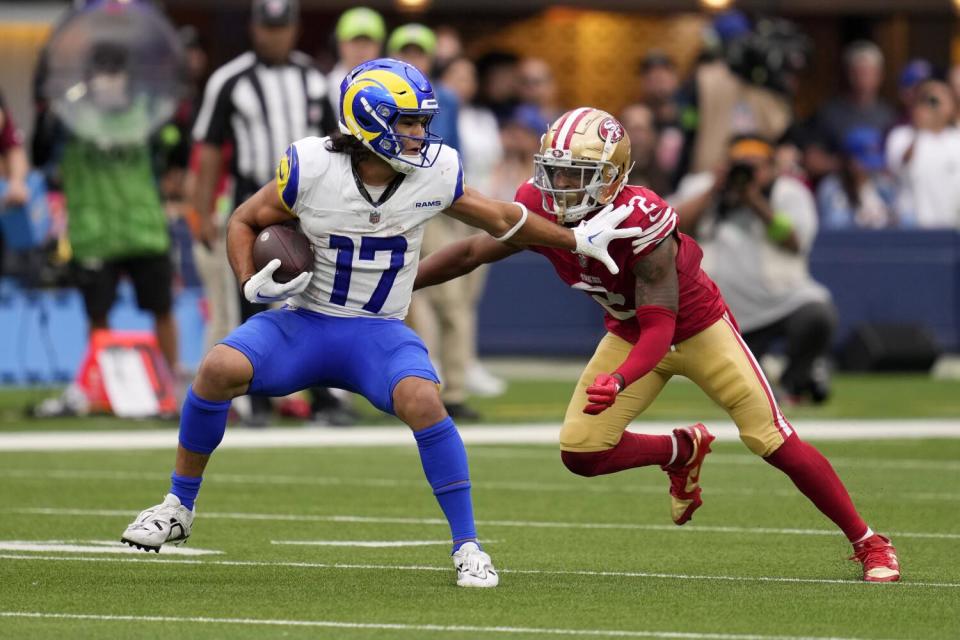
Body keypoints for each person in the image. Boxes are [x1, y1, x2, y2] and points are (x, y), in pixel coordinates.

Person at [119, 59, 642, 588]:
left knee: (424, 399)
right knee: (215, 368)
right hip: (306, 321)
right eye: (408, 122)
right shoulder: (310, 166)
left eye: (421, 121)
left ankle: (468, 545)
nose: (420, 134)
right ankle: (177, 507)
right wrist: (249, 280)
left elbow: (505, 219)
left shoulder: (436, 171)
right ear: (369, 121)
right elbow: (244, 220)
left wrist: (575, 240)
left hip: (379, 331)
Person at [413, 107, 900, 583]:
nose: (561, 187)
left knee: (770, 438)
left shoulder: (642, 217)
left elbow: (661, 327)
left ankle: (869, 540)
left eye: (577, 175)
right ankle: (678, 450)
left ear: (613, 177)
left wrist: (620, 378)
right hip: (628, 331)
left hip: (694, 328)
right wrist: (402, 282)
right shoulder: (540, 205)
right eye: (555, 173)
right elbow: (475, 250)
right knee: (581, 452)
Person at [191, 0, 343, 425]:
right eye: (267, 27)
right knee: (252, 298)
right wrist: (200, 209)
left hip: (309, 200)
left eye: (282, 27)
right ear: (254, 28)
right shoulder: (230, 79)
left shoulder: (313, 78)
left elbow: (338, 142)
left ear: (294, 29)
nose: (274, 35)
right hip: (253, 200)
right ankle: (255, 398)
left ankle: (321, 398)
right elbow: (207, 147)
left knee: (318, 300)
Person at [674, 135, 837, 405]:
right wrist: (714, 190)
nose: (746, 173)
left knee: (817, 314)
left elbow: (795, 241)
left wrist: (754, 200)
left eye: (755, 166)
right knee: (743, 394)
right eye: (739, 165)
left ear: (772, 168)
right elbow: (672, 225)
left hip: (781, 300)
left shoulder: (789, 192)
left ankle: (795, 380)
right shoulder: (703, 186)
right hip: (722, 313)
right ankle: (776, 381)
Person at [886, 78, 960, 229]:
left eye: (937, 101)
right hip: (912, 226)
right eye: (927, 100)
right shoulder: (901, 136)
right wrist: (918, 129)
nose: (933, 107)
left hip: (951, 227)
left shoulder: (957, 139)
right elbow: (899, 167)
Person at [815, 41, 896, 151]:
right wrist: (845, 163)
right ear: (848, 74)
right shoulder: (829, 113)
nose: (863, 78)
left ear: (880, 75)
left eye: (868, 72)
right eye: (858, 72)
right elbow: (812, 156)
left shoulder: (889, 115)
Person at [817, 126, 898, 229]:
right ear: (850, 161)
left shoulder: (884, 185)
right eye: (864, 161)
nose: (870, 168)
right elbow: (833, 228)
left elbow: (895, 223)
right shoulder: (832, 187)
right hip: (848, 244)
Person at [326, 6, 385, 118]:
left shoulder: (394, 86)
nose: (361, 48)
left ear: (379, 46)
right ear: (340, 44)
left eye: (367, 41)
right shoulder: (323, 87)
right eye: (354, 41)